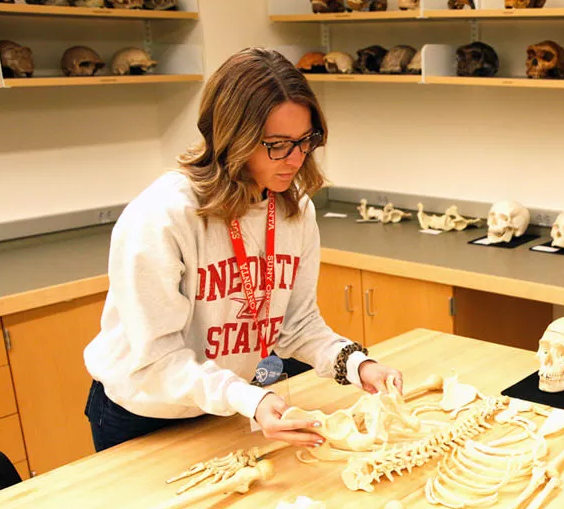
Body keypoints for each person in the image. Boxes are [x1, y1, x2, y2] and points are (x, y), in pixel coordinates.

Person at [83, 47, 403, 452]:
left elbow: (296, 325)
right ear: (233, 137)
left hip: (226, 404)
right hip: (144, 415)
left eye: (305, 141)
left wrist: (359, 365)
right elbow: (157, 360)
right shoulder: (163, 216)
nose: (295, 158)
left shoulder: (295, 210)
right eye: (277, 145)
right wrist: (250, 398)